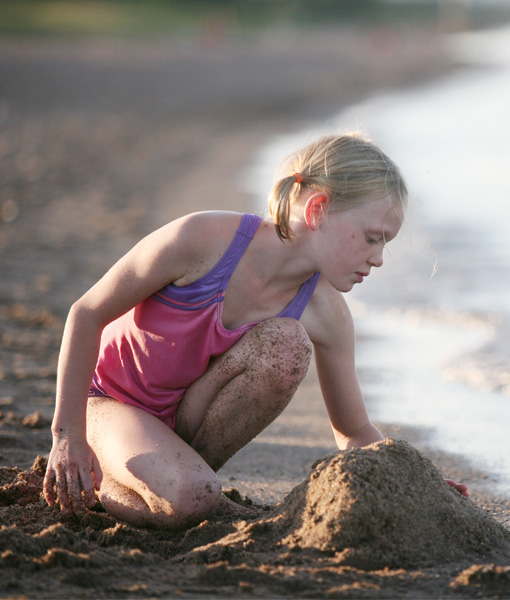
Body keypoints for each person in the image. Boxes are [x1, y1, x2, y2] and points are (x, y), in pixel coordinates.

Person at [43, 132, 467, 530]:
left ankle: (183, 480)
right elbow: (86, 313)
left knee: (287, 345)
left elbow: (354, 431)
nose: (377, 258)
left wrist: (415, 481)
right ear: (318, 209)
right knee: (192, 497)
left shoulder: (326, 312)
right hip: (107, 406)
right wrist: (67, 436)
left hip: (185, 423)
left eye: (385, 244)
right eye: (372, 238)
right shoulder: (201, 240)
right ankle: (122, 476)